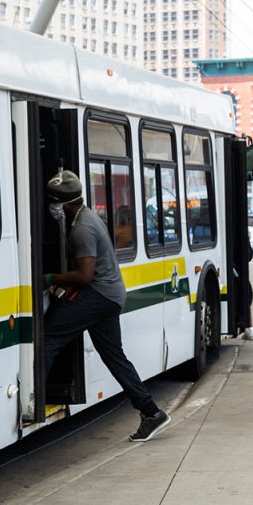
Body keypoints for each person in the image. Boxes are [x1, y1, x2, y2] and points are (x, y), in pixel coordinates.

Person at [42, 170, 170, 442]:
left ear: (63, 204)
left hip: (99, 295)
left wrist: (50, 279)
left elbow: (86, 275)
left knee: (50, 335)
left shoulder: (82, 229)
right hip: (110, 295)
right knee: (115, 357)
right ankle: (151, 412)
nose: (50, 208)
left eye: (52, 203)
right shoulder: (86, 216)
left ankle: (34, 400)